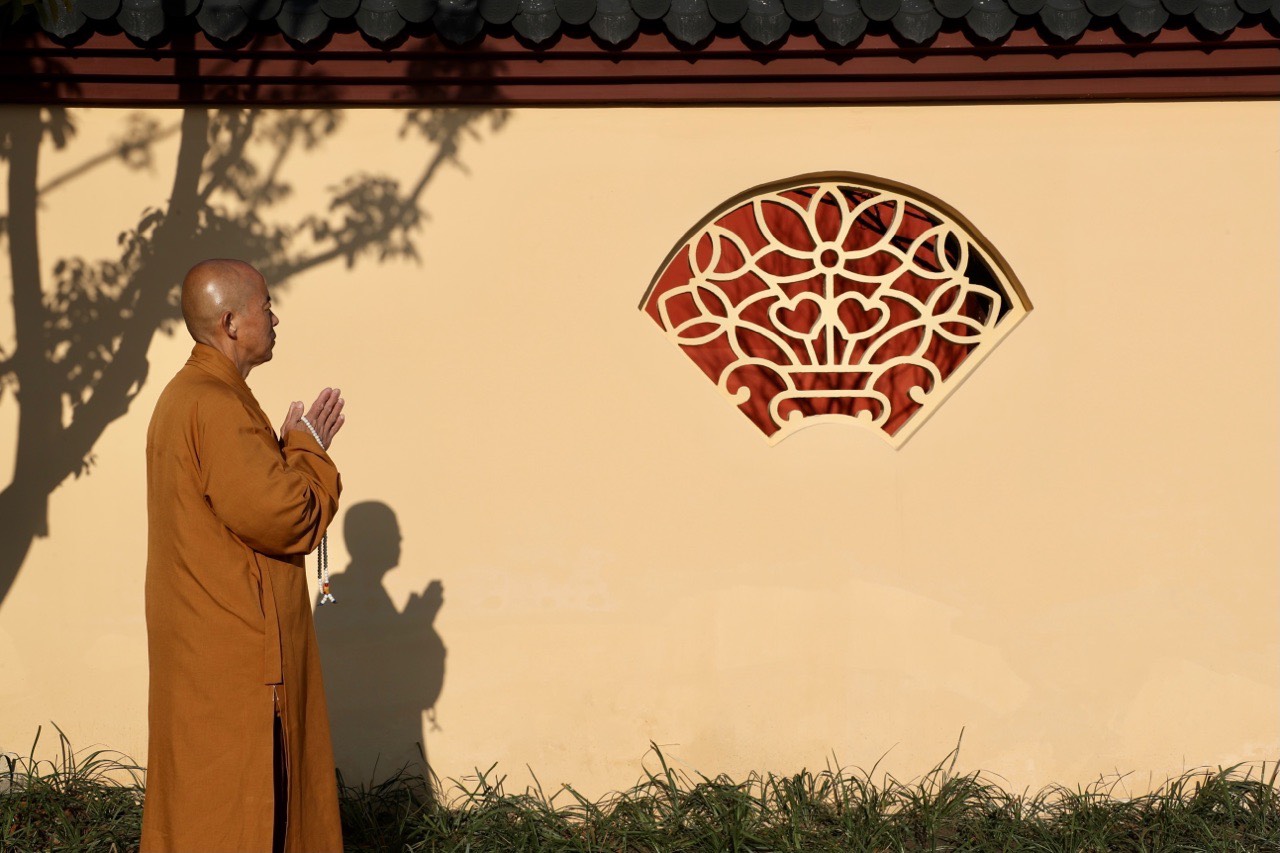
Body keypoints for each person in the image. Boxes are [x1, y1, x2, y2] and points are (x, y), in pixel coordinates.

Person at [141, 259, 346, 852]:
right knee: (240, 815)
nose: (274, 317)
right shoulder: (212, 404)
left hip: (208, 648)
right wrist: (307, 449)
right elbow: (287, 517)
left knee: (205, 807)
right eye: (265, 305)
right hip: (237, 661)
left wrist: (289, 449)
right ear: (231, 322)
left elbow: (242, 500)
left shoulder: (197, 397)